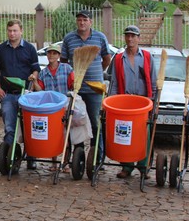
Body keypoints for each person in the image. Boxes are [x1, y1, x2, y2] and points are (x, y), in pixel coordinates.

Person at [61, 10, 111, 163]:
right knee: (76, 123)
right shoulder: (69, 39)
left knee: (96, 123)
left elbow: (106, 59)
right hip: (76, 90)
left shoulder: (100, 37)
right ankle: (79, 158)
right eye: (79, 20)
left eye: (85, 20)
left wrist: (95, 73)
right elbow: (64, 62)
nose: (82, 22)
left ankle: (97, 158)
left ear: (91, 22)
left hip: (95, 89)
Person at [109, 25, 157, 179]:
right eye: (127, 35)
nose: (130, 39)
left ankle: (143, 167)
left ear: (138, 38)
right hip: (125, 101)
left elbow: (154, 81)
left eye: (133, 36)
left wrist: (154, 103)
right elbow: (114, 82)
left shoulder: (147, 57)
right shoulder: (118, 59)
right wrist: (112, 102)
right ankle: (126, 166)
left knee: (143, 134)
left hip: (144, 101)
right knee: (125, 133)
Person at [0, 19, 40, 169]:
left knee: (28, 127)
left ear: (21, 31)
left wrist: (33, 81)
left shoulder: (30, 49)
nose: (12, 33)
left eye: (15, 31)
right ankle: (9, 157)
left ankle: (31, 158)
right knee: (9, 127)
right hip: (8, 95)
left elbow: (35, 69)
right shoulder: (0, 49)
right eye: (10, 31)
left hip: (26, 95)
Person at [32, 43, 74, 172]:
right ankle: (54, 162)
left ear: (59, 56)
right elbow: (40, 90)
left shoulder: (67, 68)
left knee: (65, 135)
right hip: (50, 108)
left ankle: (66, 163)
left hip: (64, 106)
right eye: (49, 53)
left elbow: (73, 84)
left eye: (54, 53)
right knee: (52, 135)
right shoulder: (43, 73)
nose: (51, 55)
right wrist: (34, 81)